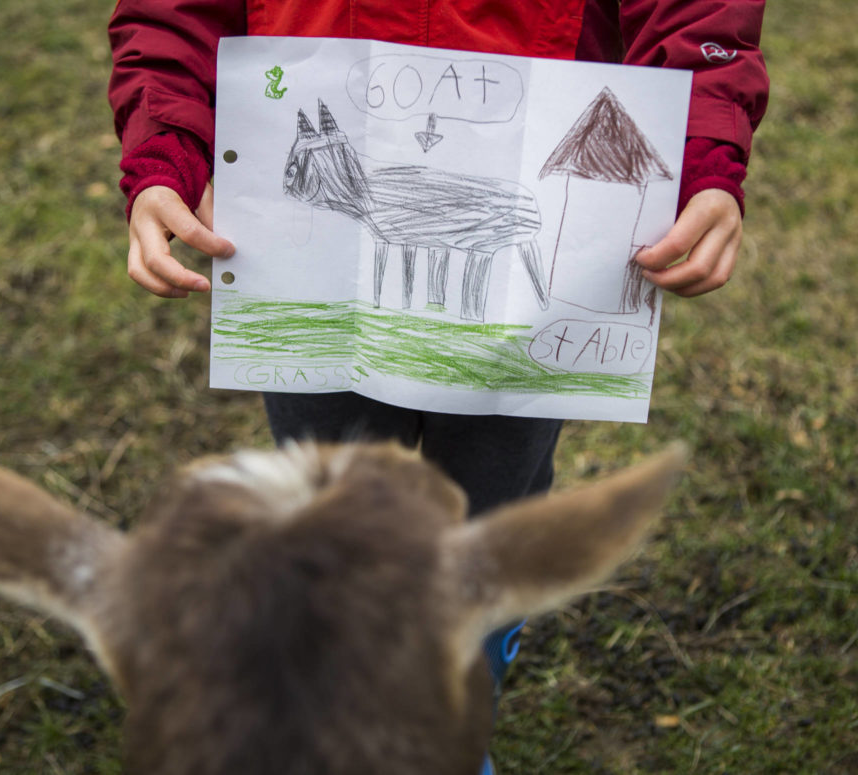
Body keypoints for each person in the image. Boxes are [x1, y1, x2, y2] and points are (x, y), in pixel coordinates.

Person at [107, 1, 768, 770]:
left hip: (524, 309)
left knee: (486, 532)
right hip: (305, 262)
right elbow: (170, 13)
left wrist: (703, 152)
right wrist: (167, 150)